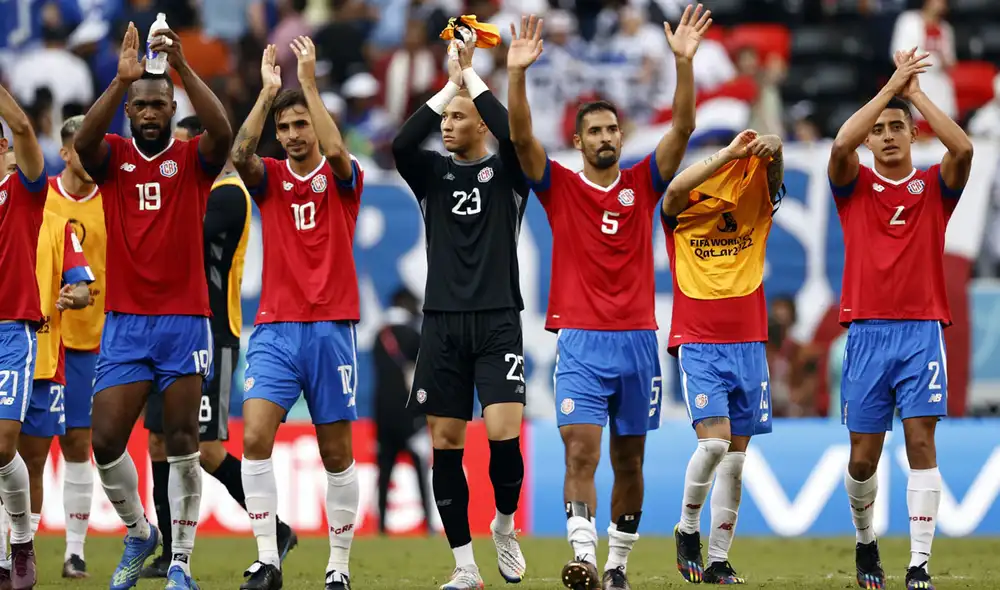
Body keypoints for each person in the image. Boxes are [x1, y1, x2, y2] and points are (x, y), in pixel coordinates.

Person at [506, 6, 708, 589]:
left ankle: (617, 566)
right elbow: (520, 136)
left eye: (612, 130)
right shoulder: (560, 186)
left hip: (637, 343)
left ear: (621, 136)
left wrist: (683, 64)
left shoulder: (644, 183)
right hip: (582, 344)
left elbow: (683, 130)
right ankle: (584, 559)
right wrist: (516, 73)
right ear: (578, 140)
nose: (604, 138)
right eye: (594, 131)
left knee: (629, 462)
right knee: (580, 455)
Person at [72, 21, 233, 590]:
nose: (147, 113)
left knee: (184, 441)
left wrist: (184, 69)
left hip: (185, 322)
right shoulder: (112, 156)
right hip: (126, 322)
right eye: (139, 105)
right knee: (107, 441)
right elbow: (82, 145)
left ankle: (182, 563)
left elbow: (224, 130)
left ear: (169, 107)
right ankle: (141, 532)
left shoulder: (191, 161)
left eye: (155, 104)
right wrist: (120, 82)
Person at [828, 47, 973, 590]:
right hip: (866, 333)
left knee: (921, 444)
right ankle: (867, 543)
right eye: (881, 129)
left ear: (914, 136)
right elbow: (841, 142)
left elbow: (963, 146)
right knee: (863, 459)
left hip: (920, 333)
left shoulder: (934, 187)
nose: (887, 134)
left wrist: (917, 97)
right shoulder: (854, 187)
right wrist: (891, 89)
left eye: (898, 128)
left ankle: (918, 565)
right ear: (871, 141)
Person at [391, 28, 529, 590]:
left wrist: (473, 78)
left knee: (502, 438)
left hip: (498, 319)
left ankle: (503, 524)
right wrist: (447, 86)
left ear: (481, 125)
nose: (446, 125)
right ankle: (465, 566)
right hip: (443, 322)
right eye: (444, 119)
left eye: (457, 117)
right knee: (445, 444)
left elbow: (515, 136)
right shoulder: (430, 175)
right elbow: (402, 145)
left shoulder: (509, 176)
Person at [140, 116, 299, 578]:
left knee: (205, 449)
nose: (180, 161)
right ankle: (170, 552)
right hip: (169, 328)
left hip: (213, 334)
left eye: (188, 151)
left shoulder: (228, 194)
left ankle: (277, 529)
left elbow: (182, 240)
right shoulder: (196, 192)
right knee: (157, 442)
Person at [231, 39, 361, 590]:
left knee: (336, 454)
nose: (291, 136)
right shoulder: (271, 181)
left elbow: (335, 154)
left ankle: (338, 567)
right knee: (255, 437)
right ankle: (268, 559)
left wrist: (307, 83)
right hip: (277, 327)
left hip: (332, 327)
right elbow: (239, 157)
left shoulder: (342, 176)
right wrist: (265, 95)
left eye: (299, 125)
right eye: (284, 129)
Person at [661, 129, 784, 584]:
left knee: (734, 459)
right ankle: (687, 528)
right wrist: (729, 153)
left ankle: (717, 560)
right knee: (712, 445)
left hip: (749, 341)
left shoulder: (754, 205)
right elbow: (672, 191)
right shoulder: (682, 212)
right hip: (699, 341)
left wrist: (777, 151)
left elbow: (773, 182)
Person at [42, 115, 105, 579]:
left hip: (89, 341)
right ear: (65, 152)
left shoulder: (112, 198)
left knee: (80, 442)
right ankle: (14, 546)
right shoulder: (37, 196)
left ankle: (75, 551)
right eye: (81, 150)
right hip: (41, 338)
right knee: (26, 446)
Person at [19, 205, 93, 572]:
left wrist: (73, 296)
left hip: (44, 361)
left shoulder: (57, 226)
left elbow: (83, 290)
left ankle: (23, 554)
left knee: (33, 463)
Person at [0, 77, 49, 590]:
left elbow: (22, 125)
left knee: (2, 445)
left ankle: (21, 540)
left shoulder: (24, 190)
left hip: (13, 329)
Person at [372, 288, 431, 536]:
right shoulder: (413, 335)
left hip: (383, 414)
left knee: (384, 471)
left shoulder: (379, 336)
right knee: (420, 469)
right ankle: (429, 523)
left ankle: (381, 525)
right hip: (409, 416)